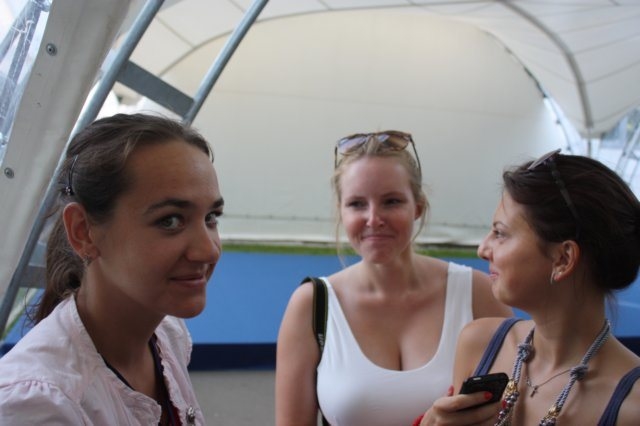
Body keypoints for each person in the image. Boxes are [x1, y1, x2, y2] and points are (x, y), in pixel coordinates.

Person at [275, 130, 512, 426]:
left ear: (418, 207)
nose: (373, 219)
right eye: (357, 204)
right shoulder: (312, 306)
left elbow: (518, 410)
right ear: (341, 211)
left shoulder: (477, 293)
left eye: (391, 201)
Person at [0, 113, 224, 425]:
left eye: (211, 217)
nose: (209, 250)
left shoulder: (167, 335)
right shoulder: (38, 406)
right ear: (83, 232)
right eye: (170, 220)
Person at [420, 149, 640, 425]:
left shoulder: (632, 407)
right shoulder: (478, 343)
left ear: (563, 259)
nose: (483, 249)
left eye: (500, 233)